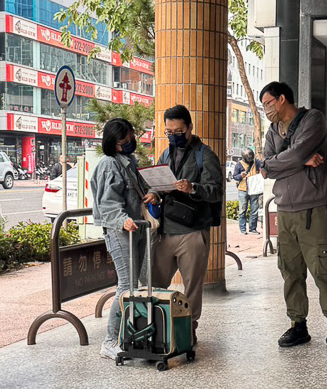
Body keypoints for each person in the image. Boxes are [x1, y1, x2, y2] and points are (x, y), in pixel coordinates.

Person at [259, 81, 327, 350]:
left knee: (323, 270)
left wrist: (287, 161)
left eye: (268, 103)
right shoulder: (271, 131)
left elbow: (287, 157)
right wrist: (299, 161)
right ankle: (297, 325)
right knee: (290, 272)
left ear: (281, 99)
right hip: (285, 210)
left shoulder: (312, 119)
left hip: (313, 209)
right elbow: (265, 168)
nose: (266, 109)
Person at [149, 105, 223, 344]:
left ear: (190, 127)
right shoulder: (166, 154)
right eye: (169, 132)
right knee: (155, 284)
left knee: (191, 287)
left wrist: (193, 188)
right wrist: (155, 195)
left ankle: (188, 330)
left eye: (178, 131)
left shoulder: (205, 155)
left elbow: (215, 192)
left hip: (192, 232)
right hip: (165, 230)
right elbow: (159, 185)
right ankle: (155, 327)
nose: (174, 136)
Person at [92, 119, 153, 361]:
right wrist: (121, 219)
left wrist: (153, 195)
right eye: (123, 140)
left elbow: (144, 188)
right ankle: (109, 340)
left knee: (133, 286)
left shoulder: (128, 162)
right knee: (126, 287)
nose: (129, 143)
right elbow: (107, 203)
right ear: (112, 142)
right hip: (120, 231)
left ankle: (127, 336)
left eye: (130, 137)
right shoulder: (109, 165)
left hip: (136, 228)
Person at [232, 148, 261, 235]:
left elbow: (262, 169)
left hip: (254, 189)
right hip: (243, 189)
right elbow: (235, 176)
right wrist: (240, 176)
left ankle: (252, 228)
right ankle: (243, 229)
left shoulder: (257, 162)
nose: (250, 159)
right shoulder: (239, 165)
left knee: (254, 210)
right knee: (242, 210)